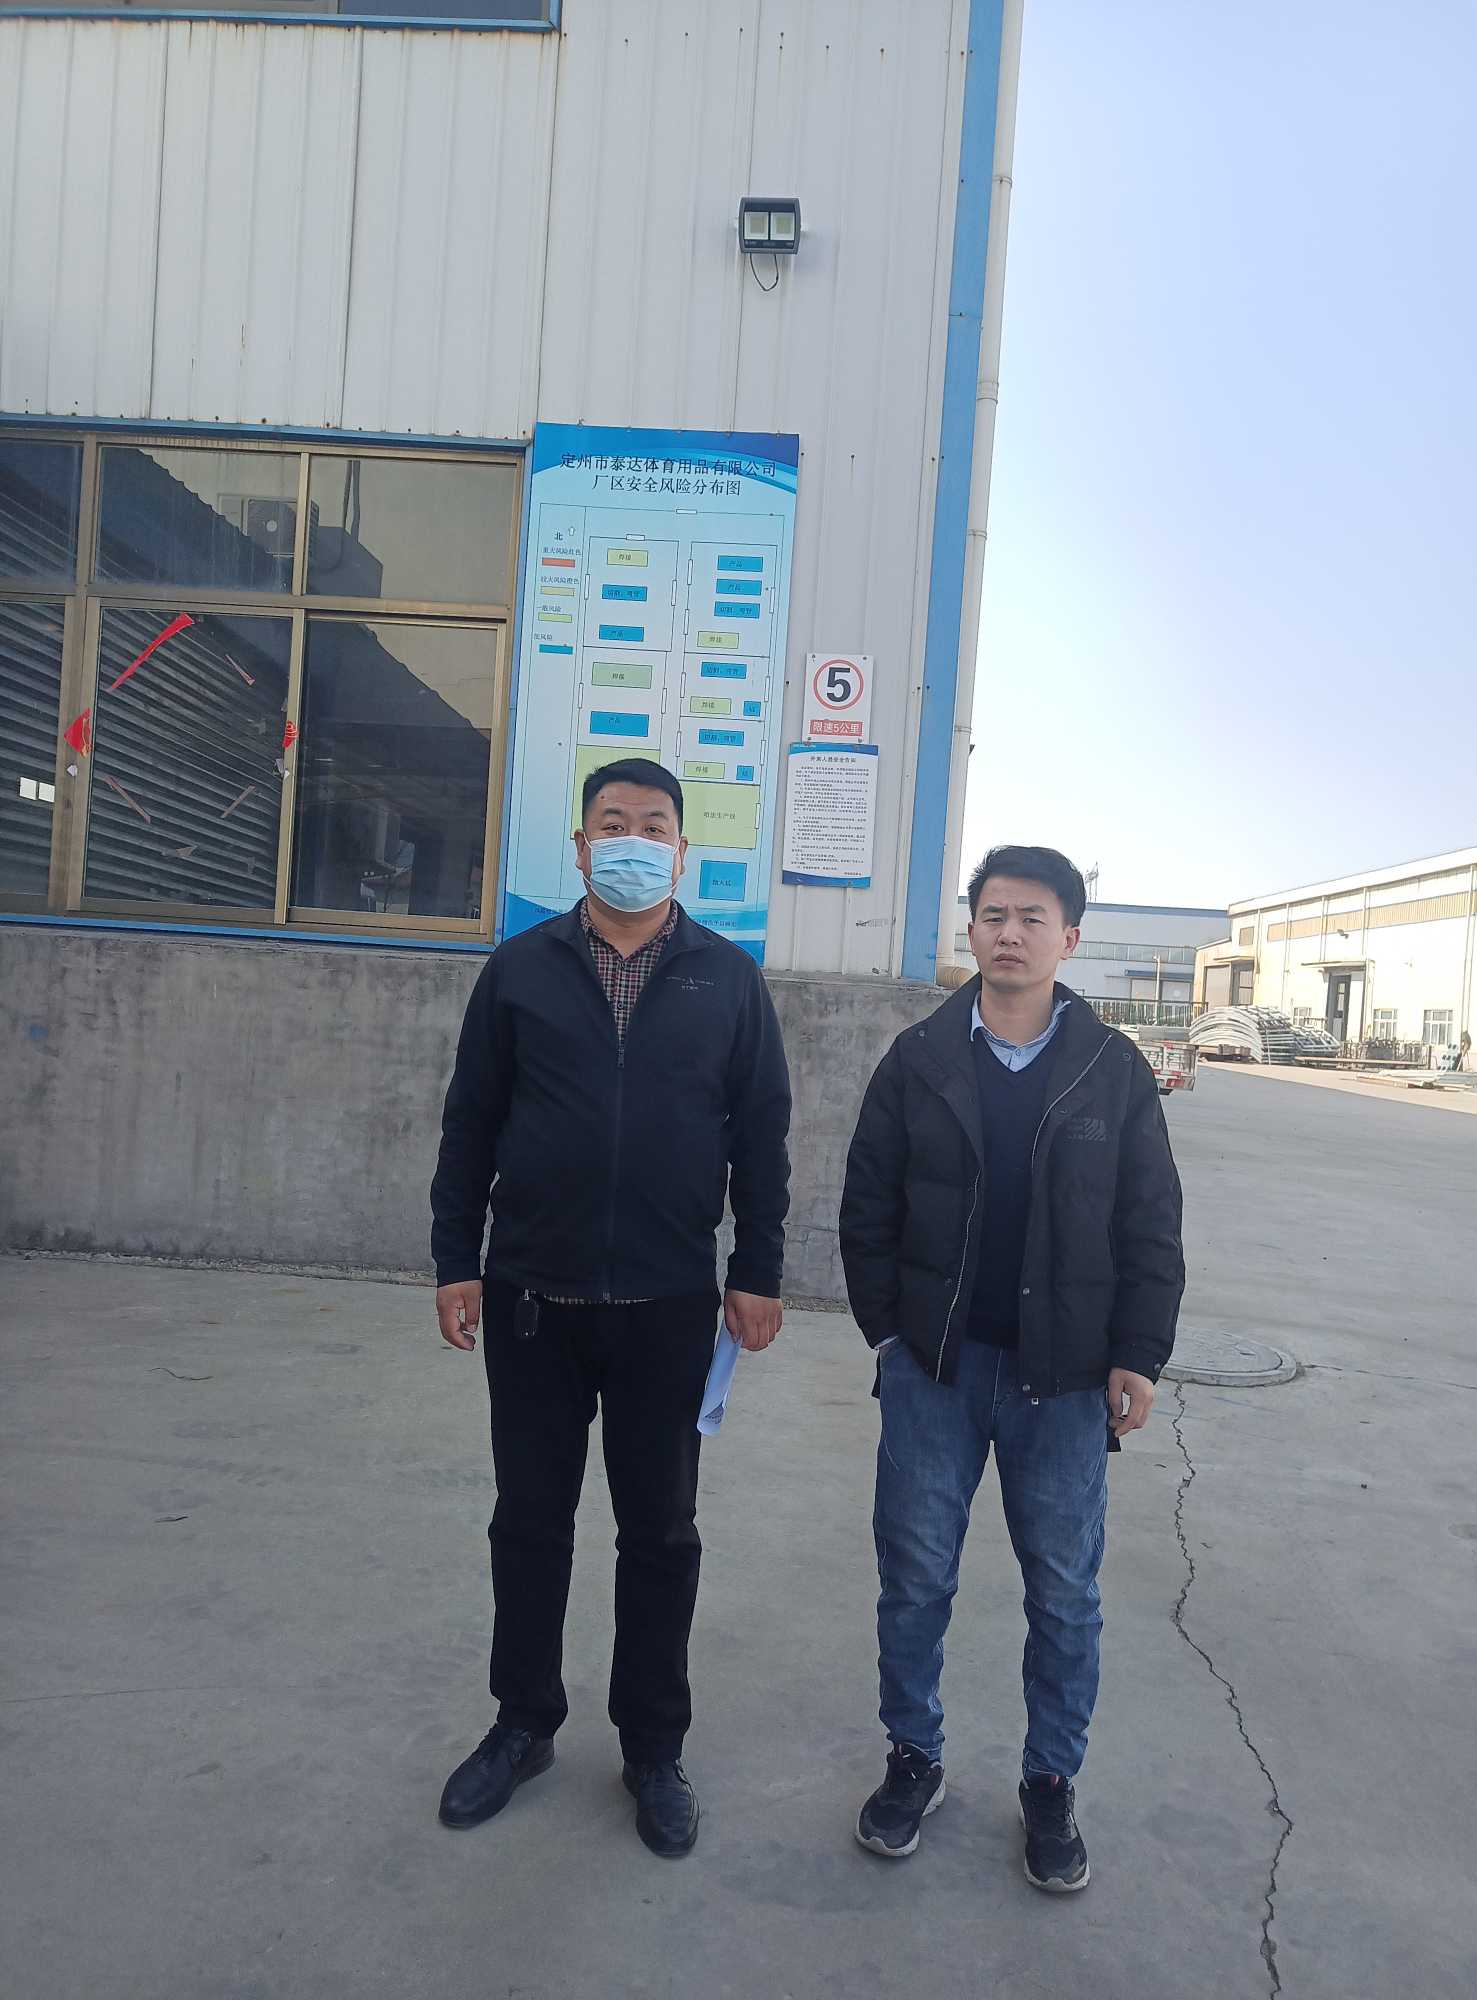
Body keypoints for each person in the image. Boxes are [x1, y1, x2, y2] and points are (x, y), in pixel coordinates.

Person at [430, 756, 791, 1858]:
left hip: (668, 1304)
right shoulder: (520, 969)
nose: (633, 840)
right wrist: (455, 1259)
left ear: (681, 852)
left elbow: (761, 1137)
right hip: (532, 1298)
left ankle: (652, 1745)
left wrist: (758, 1268)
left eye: (654, 825)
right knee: (530, 1521)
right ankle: (523, 1722)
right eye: (613, 823)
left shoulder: (728, 979)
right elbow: (470, 1122)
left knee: (662, 1532)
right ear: (581, 847)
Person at [839, 844, 1184, 1892]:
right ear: (971, 929)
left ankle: (1050, 1781)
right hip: (935, 1372)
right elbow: (867, 1204)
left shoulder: (1112, 1069)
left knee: (1065, 1594)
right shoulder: (918, 1058)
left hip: (1065, 1380)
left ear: (1068, 938)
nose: (1010, 932)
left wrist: (1138, 1354)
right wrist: (890, 1336)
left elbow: (1150, 1223)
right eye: (993, 914)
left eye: (1033, 917)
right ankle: (914, 1756)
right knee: (915, 1580)